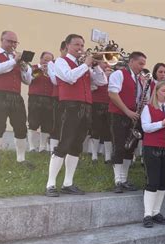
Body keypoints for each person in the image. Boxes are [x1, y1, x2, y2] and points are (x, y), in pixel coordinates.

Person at [45, 33, 107, 197]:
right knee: (64, 143)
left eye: (82, 45)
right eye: (77, 45)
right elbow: (69, 78)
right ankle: (50, 184)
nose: (80, 48)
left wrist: (96, 66)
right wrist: (86, 64)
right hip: (69, 107)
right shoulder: (60, 61)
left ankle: (68, 183)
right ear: (67, 46)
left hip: (86, 108)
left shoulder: (84, 66)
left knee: (77, 146)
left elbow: (102, 82)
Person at [0, 30, 32, 166]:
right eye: (10, 41)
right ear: (2, 40)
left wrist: (24, 68)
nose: (13, 44)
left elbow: (28, 81)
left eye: (15, 42)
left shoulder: (17, 59)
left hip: (15, 96)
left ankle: (21, 159)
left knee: (21, 126)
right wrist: (14, 61)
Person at [108, 51, 147, 193]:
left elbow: (139, 98)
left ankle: (124, 179)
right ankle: (117, 180)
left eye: (143, 64)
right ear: (131, 61)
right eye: (140, 63)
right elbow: (113, 94)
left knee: (129, 148)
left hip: (134, 117)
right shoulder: (118, 74)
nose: (142, 67)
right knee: (119, 147)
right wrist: (127, 111)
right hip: (120, 115)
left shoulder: (139, 79)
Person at [141, 81, 165, 228]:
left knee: (163, 182)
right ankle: (147, 214)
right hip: (152, 147)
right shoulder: (148, 108)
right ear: (156, 92)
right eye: (163, 91)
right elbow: (146, 127)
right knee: (153, 181)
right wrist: (162, 123)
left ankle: (156, 212)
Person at [27, 51, 54, 153]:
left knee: (47, 123)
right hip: (35, 98)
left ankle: (42, 147)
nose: (46, 62)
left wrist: (50, 71)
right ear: (40, 59)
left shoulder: (52, 70)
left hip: (49, 99)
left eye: (49, 61)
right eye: (45, 60)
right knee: (33, 122)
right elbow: (28, 79)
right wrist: (40, 71)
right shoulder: (33, 68)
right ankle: (31, 147)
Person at [90, 61, 113, 163]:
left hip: (109, 105)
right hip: (96, 103)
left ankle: (107, 157)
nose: (106, 66)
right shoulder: (93, 73)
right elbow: (91, 87)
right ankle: (94, 154)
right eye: (104, 63)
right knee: (96, 129)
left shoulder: (113, 76)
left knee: (108, 131)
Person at [49, 41, 68, 153]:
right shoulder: (54, 63)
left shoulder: (75, 63)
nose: (67, 52)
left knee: (68, 124)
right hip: (58, 97)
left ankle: (65, 149)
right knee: (57, 123)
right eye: (65, 50)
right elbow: (55, 81)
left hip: (71, 98)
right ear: (61, 50)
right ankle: (53, 150)